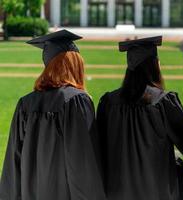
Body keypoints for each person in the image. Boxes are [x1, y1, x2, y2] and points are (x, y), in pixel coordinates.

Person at [0, 30, 106, 200]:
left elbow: (13, 161)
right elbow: (82, 162)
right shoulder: (76, 101)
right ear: (73, 65)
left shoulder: (26, 103)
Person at [96, 36, 183, 200]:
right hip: (156, 191)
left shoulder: (108, 102)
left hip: (116, 191)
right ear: (154, 66)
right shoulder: (163, 102)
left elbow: (99, 146)